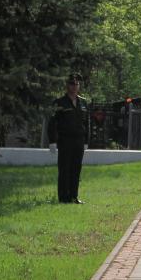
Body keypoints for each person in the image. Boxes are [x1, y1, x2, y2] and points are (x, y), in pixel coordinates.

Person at [48, 73, 89, 204]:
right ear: (67, 85)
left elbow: (87, 123)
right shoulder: (59, 102)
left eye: (76, 84)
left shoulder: (83, 102)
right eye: (72, 84)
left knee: (76, 168)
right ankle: (63, 197)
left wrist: (87, 141)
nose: (74, 87)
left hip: (79, 140)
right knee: (65, 168)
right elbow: (52, 123)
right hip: (65, 140)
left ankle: (74, 196)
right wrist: (52, 141)